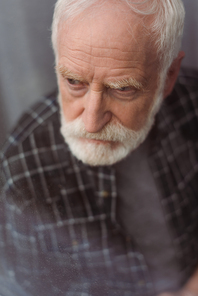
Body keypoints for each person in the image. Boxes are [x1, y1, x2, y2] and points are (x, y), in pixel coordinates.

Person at [1, 0, 198, 295]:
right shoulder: (24, 166)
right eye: (74, 81)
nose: (92, 122)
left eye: (122, 88)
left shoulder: (193, 104)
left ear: (167, 77)